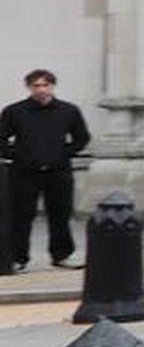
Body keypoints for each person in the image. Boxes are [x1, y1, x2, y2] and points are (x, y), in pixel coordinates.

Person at [2, 68, 90, 273]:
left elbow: (82, 138)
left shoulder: (69, 111)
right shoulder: (14, 111)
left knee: (60, 215)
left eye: (45, 85)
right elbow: (1, 139)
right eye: (36, 86)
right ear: (28, 87)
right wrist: (19, 156)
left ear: (52, 86)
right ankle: (17, 258)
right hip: (24, 173)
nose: (41, 90)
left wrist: (63, 153)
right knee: (21, 216)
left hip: (58, 171)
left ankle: (62, 255)